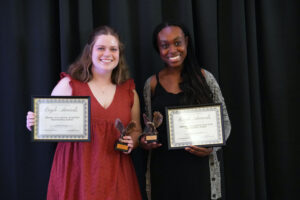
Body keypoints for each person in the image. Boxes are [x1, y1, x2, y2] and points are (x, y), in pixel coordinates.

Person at [26, 26, 142, 200]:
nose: (107, 54)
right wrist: (35, 123)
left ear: (120, 53)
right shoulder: (68, 85)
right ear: (90, 51)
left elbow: (136, 130)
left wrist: (132, 142)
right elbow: (48, 124)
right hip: (76, 173)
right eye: (101, 48)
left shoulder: (129, 91)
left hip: (116, 173)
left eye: (113, 49)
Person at [139, 22, 231, 200]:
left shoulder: (205, 78)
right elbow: (149, 129)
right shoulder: (151, 84)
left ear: (186, 42)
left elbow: (225, 123)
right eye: (164, 45)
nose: (172, 50)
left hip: (200, 172)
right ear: (158, 48)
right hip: (164, 173)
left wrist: (213, 147)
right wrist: (145, 141)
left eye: (177, 42)